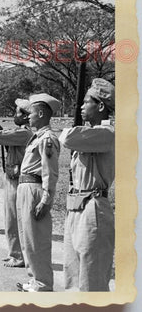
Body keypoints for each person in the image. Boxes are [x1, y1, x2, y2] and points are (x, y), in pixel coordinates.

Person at [59, 78, 115, 291]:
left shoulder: (106, 133)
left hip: (93, 208)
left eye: (86, 102)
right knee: (73, 274)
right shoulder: (90, 132)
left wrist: (74, 129)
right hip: (76, 205)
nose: (81, 107)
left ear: (100, 106)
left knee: (92, 279)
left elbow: (67, 138)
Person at [16, 93, 61, 292]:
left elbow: (50, 172)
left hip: (35, 189)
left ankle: (43, 283)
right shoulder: (38, 137)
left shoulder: (47, 138)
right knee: (27, 237)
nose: (28, 117)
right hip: (25, 187)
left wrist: (46, 200)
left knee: (37, 239)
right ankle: (35, 279)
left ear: (41, 113)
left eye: (31, 113)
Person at [0, 99, 33, 268]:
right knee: (10, 219)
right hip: (12, 177)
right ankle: (14, 252)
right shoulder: (20, 132)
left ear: (25, 116)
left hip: (18, 180)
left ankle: (19, 256)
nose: (14, 115)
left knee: (15, 219)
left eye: (17, 112)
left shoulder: (24, 133)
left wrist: (0, 132)